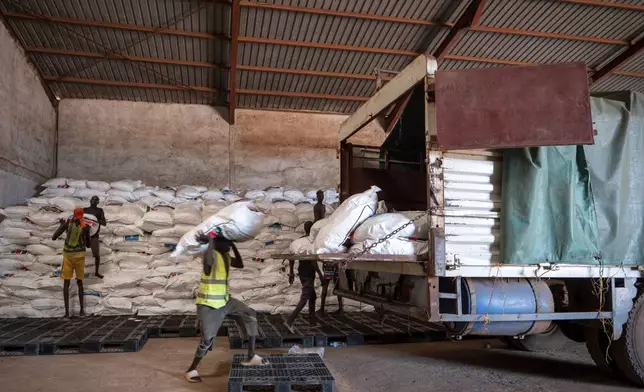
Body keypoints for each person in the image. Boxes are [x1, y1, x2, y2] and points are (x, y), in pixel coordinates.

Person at [185, 231, 267, 383]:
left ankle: (251, 356)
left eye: (229, 242)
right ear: (216, 244)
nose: (228, 244)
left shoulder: (226, 257)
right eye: (226, 242)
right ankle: (191, 369)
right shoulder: (210, 255)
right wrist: (210, 242)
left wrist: (234, 245)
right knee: (208, 339)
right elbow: (208, 268)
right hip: (209, 305)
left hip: (225, 301)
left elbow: (240, 264)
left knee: (250, 313)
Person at [284, 221, 324, 333]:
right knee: (305, 297)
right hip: (308, 272)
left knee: (312, 297)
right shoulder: (312, 242)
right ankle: (289, 321)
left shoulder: (298, 241)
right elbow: (313, 262)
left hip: (302, 271)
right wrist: (320, 276)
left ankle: (313, 323)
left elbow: (291, 257)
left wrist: (291, 273)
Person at [52, 208, 91, 318]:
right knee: (80, 283)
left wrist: (62, 226)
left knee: (66, 283)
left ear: (73, 215)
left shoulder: (67, 225)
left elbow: (54, 237)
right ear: (82, 216)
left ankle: (67, 313)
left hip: (68, 257)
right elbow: (88, 245)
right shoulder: (86, 227)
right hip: (80, 257)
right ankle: (82, 311)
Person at [84, 196, 107, 279]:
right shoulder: (84, 210)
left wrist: (95, 220)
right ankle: (78, 272)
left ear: (98, 202)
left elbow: (104, 223)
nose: (93, 201)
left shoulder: (100, 211)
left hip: (94, 235)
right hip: (83, 235)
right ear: (90, 201)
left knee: (96, 255)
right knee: (78, 254)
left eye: (95, 200)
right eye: (92, 199)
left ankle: (96, 272)